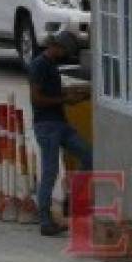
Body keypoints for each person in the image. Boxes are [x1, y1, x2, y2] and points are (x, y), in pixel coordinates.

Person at [28, 29, 92, 237]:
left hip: (60, 123)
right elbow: (37, 99)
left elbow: (52, 93)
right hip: (47, 126)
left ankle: (72, 198)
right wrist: (65, 99)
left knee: (88, 156)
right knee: (50, 172)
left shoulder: (52, 66)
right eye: (64, 50)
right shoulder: (39, 65)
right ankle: (45, 220)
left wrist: (74, 94)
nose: (65, 54)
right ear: (55, 46)